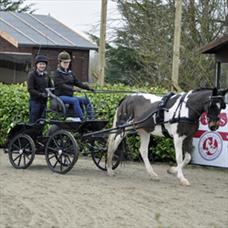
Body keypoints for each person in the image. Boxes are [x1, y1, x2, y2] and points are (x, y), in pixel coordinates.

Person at [54, 51, 95, 122]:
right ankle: (81, 119)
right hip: (60, 97)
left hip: (70, 96)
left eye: (68, 62)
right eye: (65, 62)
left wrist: (89, 88)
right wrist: (73, 89)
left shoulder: (70, 73)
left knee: (86, 99)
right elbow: (61, 85)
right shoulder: (57, 74)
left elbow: (78, 82)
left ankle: (91, 118)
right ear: (60, 62)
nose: (67, 64)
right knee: (75, 100)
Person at [27, 55, 52, 123]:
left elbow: (51, 87)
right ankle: (31, 134)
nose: (42, 66)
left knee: (42, 122)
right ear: (36, 65)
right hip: (35, 102)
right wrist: (40, 94)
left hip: (44, 102)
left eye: (44, 64)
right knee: (33, 121)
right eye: (40, 64)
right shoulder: (32, 75)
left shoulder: (46, 75)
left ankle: (39, 134)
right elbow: (30, 89)